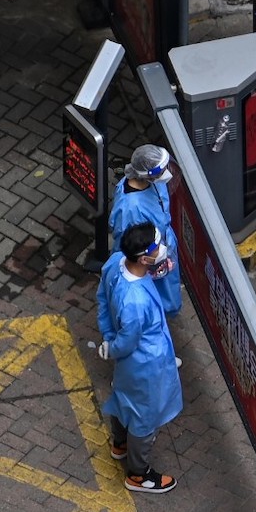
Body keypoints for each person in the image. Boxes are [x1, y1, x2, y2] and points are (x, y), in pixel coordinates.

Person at [97, 222, 183, 494]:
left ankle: (119, 444)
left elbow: (103, 299)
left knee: (123, 398)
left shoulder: (114, 265)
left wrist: (108, 339)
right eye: (157, 247)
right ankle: (138, 474)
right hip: (145, 365)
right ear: (144, 258)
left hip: (131, 368)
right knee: (145, 418)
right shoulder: (135, 301)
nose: (162, 250)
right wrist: (114, 347)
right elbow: (129, 340)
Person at [110, 144, 183, 319]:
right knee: (154, 295)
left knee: (166, 289)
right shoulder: (131, 208)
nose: (167, 172)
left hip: (162, 247)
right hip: (150, 256)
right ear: (147, 175)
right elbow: (126, 244)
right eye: (162, 169)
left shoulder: (153, 183)